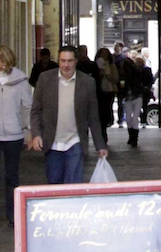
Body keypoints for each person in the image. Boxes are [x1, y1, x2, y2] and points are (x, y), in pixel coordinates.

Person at [30, 46, 107, 184]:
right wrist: (36, 134)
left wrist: (100, 145)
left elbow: (93, 116)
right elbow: (36, 110)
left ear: (76, 61)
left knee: (73, 184)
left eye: (70, 61)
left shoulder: (88, 82)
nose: (66, 65)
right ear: (58, 61)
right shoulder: (45, 79)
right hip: (52, 142)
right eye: (63, 61)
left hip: (75, 141)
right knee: (54, 182)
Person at [0, 45, 31, 234]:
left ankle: (13, 215)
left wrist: (27, 130)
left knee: (12, 177)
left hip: (14, 134)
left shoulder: (20, 80)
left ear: (4, 61)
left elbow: (27, 106)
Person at [122, 51, 155, 148]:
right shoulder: (136, 72)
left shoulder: (133, 73)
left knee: (131, 117)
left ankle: (132, 138)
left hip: (132, 96)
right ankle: (133, 138)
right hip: (135, 95)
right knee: (132, 118)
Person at [94, 46, 120, 144]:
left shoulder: (112, 66)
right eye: (102, 53)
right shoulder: (96, 65)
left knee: (107, 110)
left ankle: (107, 124)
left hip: (109, 91)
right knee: (100, 112)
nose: (104, 55)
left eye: (106, 53)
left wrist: (108, 75)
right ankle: (102, 132)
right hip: (99, 91)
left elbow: (116, 79)